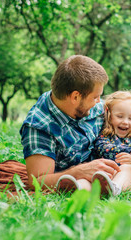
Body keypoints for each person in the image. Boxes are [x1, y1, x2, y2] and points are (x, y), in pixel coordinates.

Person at [20, 55, 120, 192]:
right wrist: (78, 172)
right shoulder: (39, 126)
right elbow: (37, 182)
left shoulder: (95, 108)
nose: (99, 102)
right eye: (95, 97)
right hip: (77, 180)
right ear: (75, 97)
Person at [91, 91, 131, 195]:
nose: (125, 122)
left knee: (126, 169)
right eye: (120, 116)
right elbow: (102, 148)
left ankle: (115, 189)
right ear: (109, 115)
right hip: (110, 171)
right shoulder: (105, 135)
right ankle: (100, 188)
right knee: (103, 171)